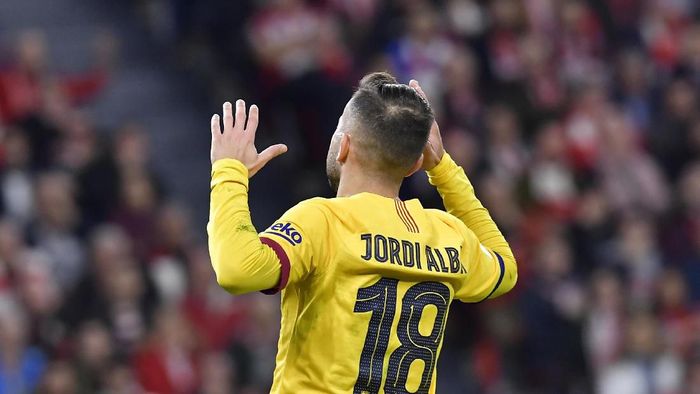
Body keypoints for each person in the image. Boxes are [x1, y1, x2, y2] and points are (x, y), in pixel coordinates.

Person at [207, 72, 518, 393]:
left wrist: (229, 172)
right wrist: (443, 168)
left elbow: (236, 270)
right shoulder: (449, 235)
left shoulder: (324, 221)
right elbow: (504, 269)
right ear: (414, 166)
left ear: (344, 146)